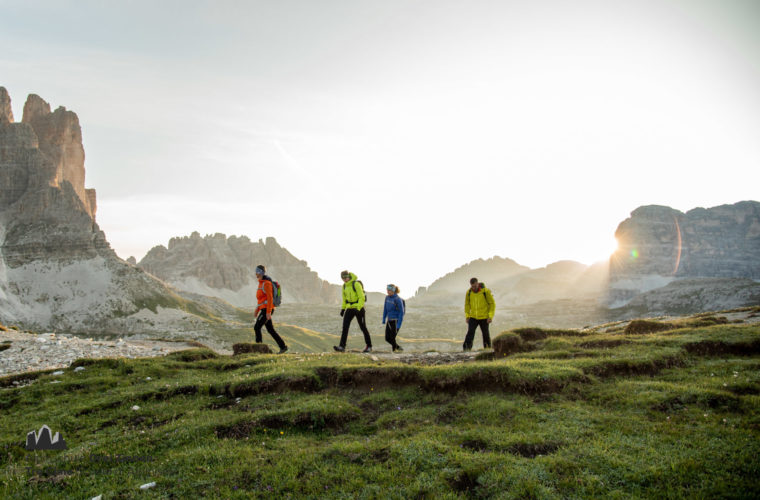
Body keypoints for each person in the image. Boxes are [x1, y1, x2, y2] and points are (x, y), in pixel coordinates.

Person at [334, 270, 372, 353]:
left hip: (359, 309)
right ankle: (342, 347)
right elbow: (344, 299)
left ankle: (369, 346)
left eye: (346, 277)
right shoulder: (344, 286)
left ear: (349, 276)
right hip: (349, 308)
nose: (345, 279)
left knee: (363, 327)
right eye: (343, 278)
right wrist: (343, 309)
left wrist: (358, 308)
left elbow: (361, 297)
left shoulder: (356, 284)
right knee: (345, 327)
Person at [253, 265, 288, 354]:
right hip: (264, 309)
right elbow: (261, 299)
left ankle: (259, 351)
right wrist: (257, 310)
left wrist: (268, 312)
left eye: (257, 271)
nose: (256, 272)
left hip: (267, 310)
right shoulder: (261, 283)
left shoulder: (267, 283)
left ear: (261, 272)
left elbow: (270, 298)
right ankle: (283, 347)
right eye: (256, 270)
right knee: (270, 330)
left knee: (257, 327)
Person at [463, 277, 495, 351]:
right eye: (472, 286)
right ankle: (466, 350)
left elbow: (492, 304)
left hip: (484, 317)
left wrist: (490, 316)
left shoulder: (485, 292)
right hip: (473, 317)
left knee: (486, 334)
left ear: (477, 283)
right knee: (470, 333)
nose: (474, 288)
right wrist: (467, 316)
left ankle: (487, 350)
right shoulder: (469, 292)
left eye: (475, 286)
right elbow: (467, 305)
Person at [382, 284, 405, 352]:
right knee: (387, 338)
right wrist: (384, 318)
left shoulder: (397, 299)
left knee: (392, 338)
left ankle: (394, 351)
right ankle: (398, 347)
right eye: (387, 290)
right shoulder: (387, 298)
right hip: (389, 320)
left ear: (393, 291)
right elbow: (385, 309)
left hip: (396, 321)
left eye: (389, 290)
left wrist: (399, 324)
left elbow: (401, 312)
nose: (388, 292)